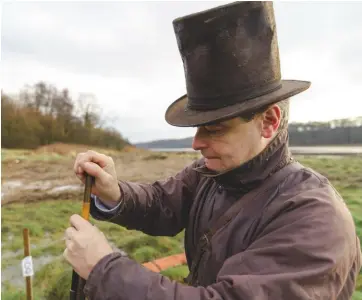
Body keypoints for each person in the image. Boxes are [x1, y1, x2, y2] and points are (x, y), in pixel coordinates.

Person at [64, 1, 362, 299]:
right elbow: (161, 203)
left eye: (215, 128)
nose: (196, 143)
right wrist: (113, 192)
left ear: (268, 122)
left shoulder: (315, 219)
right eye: (198, 127)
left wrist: (103, 268)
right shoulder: (212, 172)